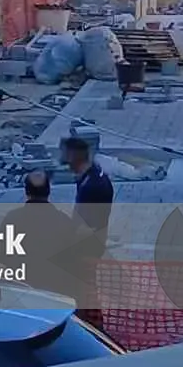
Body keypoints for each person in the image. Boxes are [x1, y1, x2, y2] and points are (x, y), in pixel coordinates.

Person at [0, 171, 80, 298]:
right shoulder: (65, 221)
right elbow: (73, 258)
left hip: (19, 290)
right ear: (48, 191)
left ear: (26, 191)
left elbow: (1, 254)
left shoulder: (12, 218)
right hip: (57, 293)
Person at [64, 136, 114, 328]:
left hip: (86, 249)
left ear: (73, 155)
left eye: (66, 154)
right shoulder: (89, 177)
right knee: (86, 288)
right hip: (89, 245)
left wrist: (65, 234)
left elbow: (89, 227)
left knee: (85, 289)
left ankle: (92, 326)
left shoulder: (92, 186)